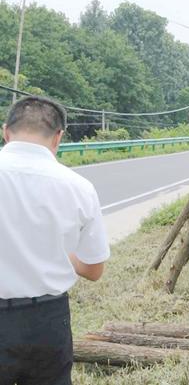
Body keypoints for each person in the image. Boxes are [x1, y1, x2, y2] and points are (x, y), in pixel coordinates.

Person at [0, 96, 110, 385]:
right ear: (58, 137)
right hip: (46, 320)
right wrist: (60, 253)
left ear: (6, 131)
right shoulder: (78, 187)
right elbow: (94, 269)